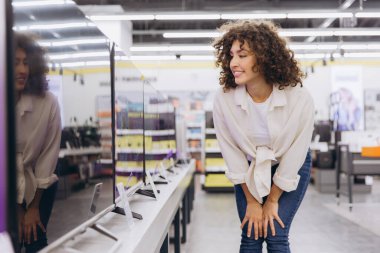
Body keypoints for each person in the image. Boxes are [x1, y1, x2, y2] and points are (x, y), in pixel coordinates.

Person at [212, 20, 314, 253]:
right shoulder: (224, 99)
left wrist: (273, 200)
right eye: (231, 56)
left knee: (275, 233)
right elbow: (232, 153)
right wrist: (251, 201)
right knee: (251, 233)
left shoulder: (298, 97)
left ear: (264, 57)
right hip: (249, 168)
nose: (233, 63)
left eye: (242, 55)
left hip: (290, 165)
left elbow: (296, 152)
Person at [14, 32, 61, 253]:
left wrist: (32, 207)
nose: (22, 70)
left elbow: (48, 155)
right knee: (10, 241)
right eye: (15, 63)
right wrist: (16, 209)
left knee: (35, 240)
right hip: (5, 185)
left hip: (39, 183)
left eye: (26, 63)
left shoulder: (48, 102)